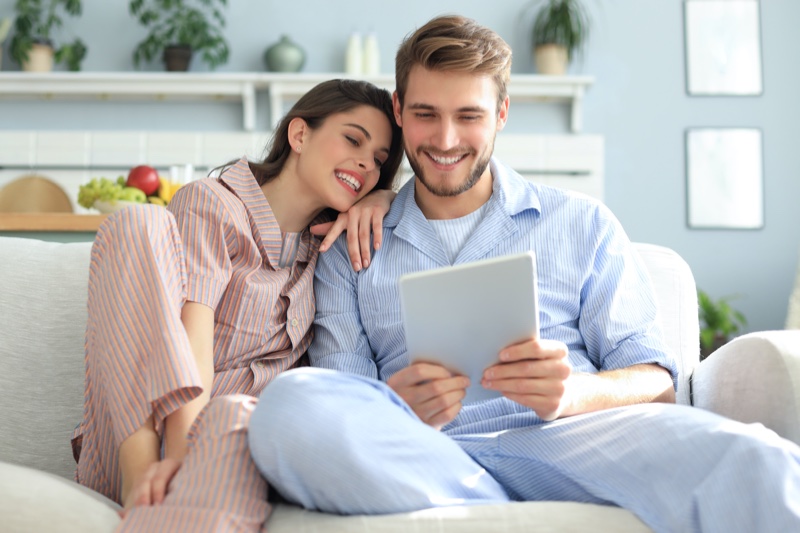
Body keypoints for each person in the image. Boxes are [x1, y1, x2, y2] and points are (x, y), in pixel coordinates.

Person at [248, 15, 800, 532]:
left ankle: (480, 505)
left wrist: (573, 393)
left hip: (572, 440)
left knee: (758, 456)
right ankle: (487, 502)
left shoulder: (581, 222)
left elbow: (659, 382)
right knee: (288, 408)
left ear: (502, 114)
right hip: (423, 454)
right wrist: (394, 403)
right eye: (425, 114)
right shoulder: (349, 247)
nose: (444, 140)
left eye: (469, 116)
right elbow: (344, 399)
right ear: (398, 110)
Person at [71, 78, 404, 525]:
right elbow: (194, 338)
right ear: (300, 135)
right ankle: (144, 481)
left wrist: (387, 197)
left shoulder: (332, 248)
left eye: (379, 162)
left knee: (239, 418)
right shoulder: (213, 205)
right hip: (154, 435)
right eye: (353, 139)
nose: (366, 163)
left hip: (237, 444)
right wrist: (183, 453)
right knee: (137, 222)